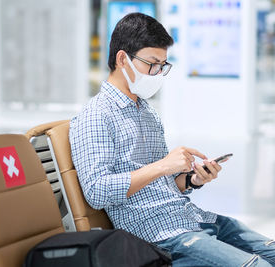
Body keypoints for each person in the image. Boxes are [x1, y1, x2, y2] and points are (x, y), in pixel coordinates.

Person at [69, 13, 275, 266]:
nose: (158, 73)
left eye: (163, 65)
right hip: (160, 236)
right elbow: (97, 191)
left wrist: (192, 179)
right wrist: (163, 165)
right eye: (152, 64)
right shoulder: (96, 116)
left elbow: (161, 184)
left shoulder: (146, 112)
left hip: (192, 218)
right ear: (122, 59)